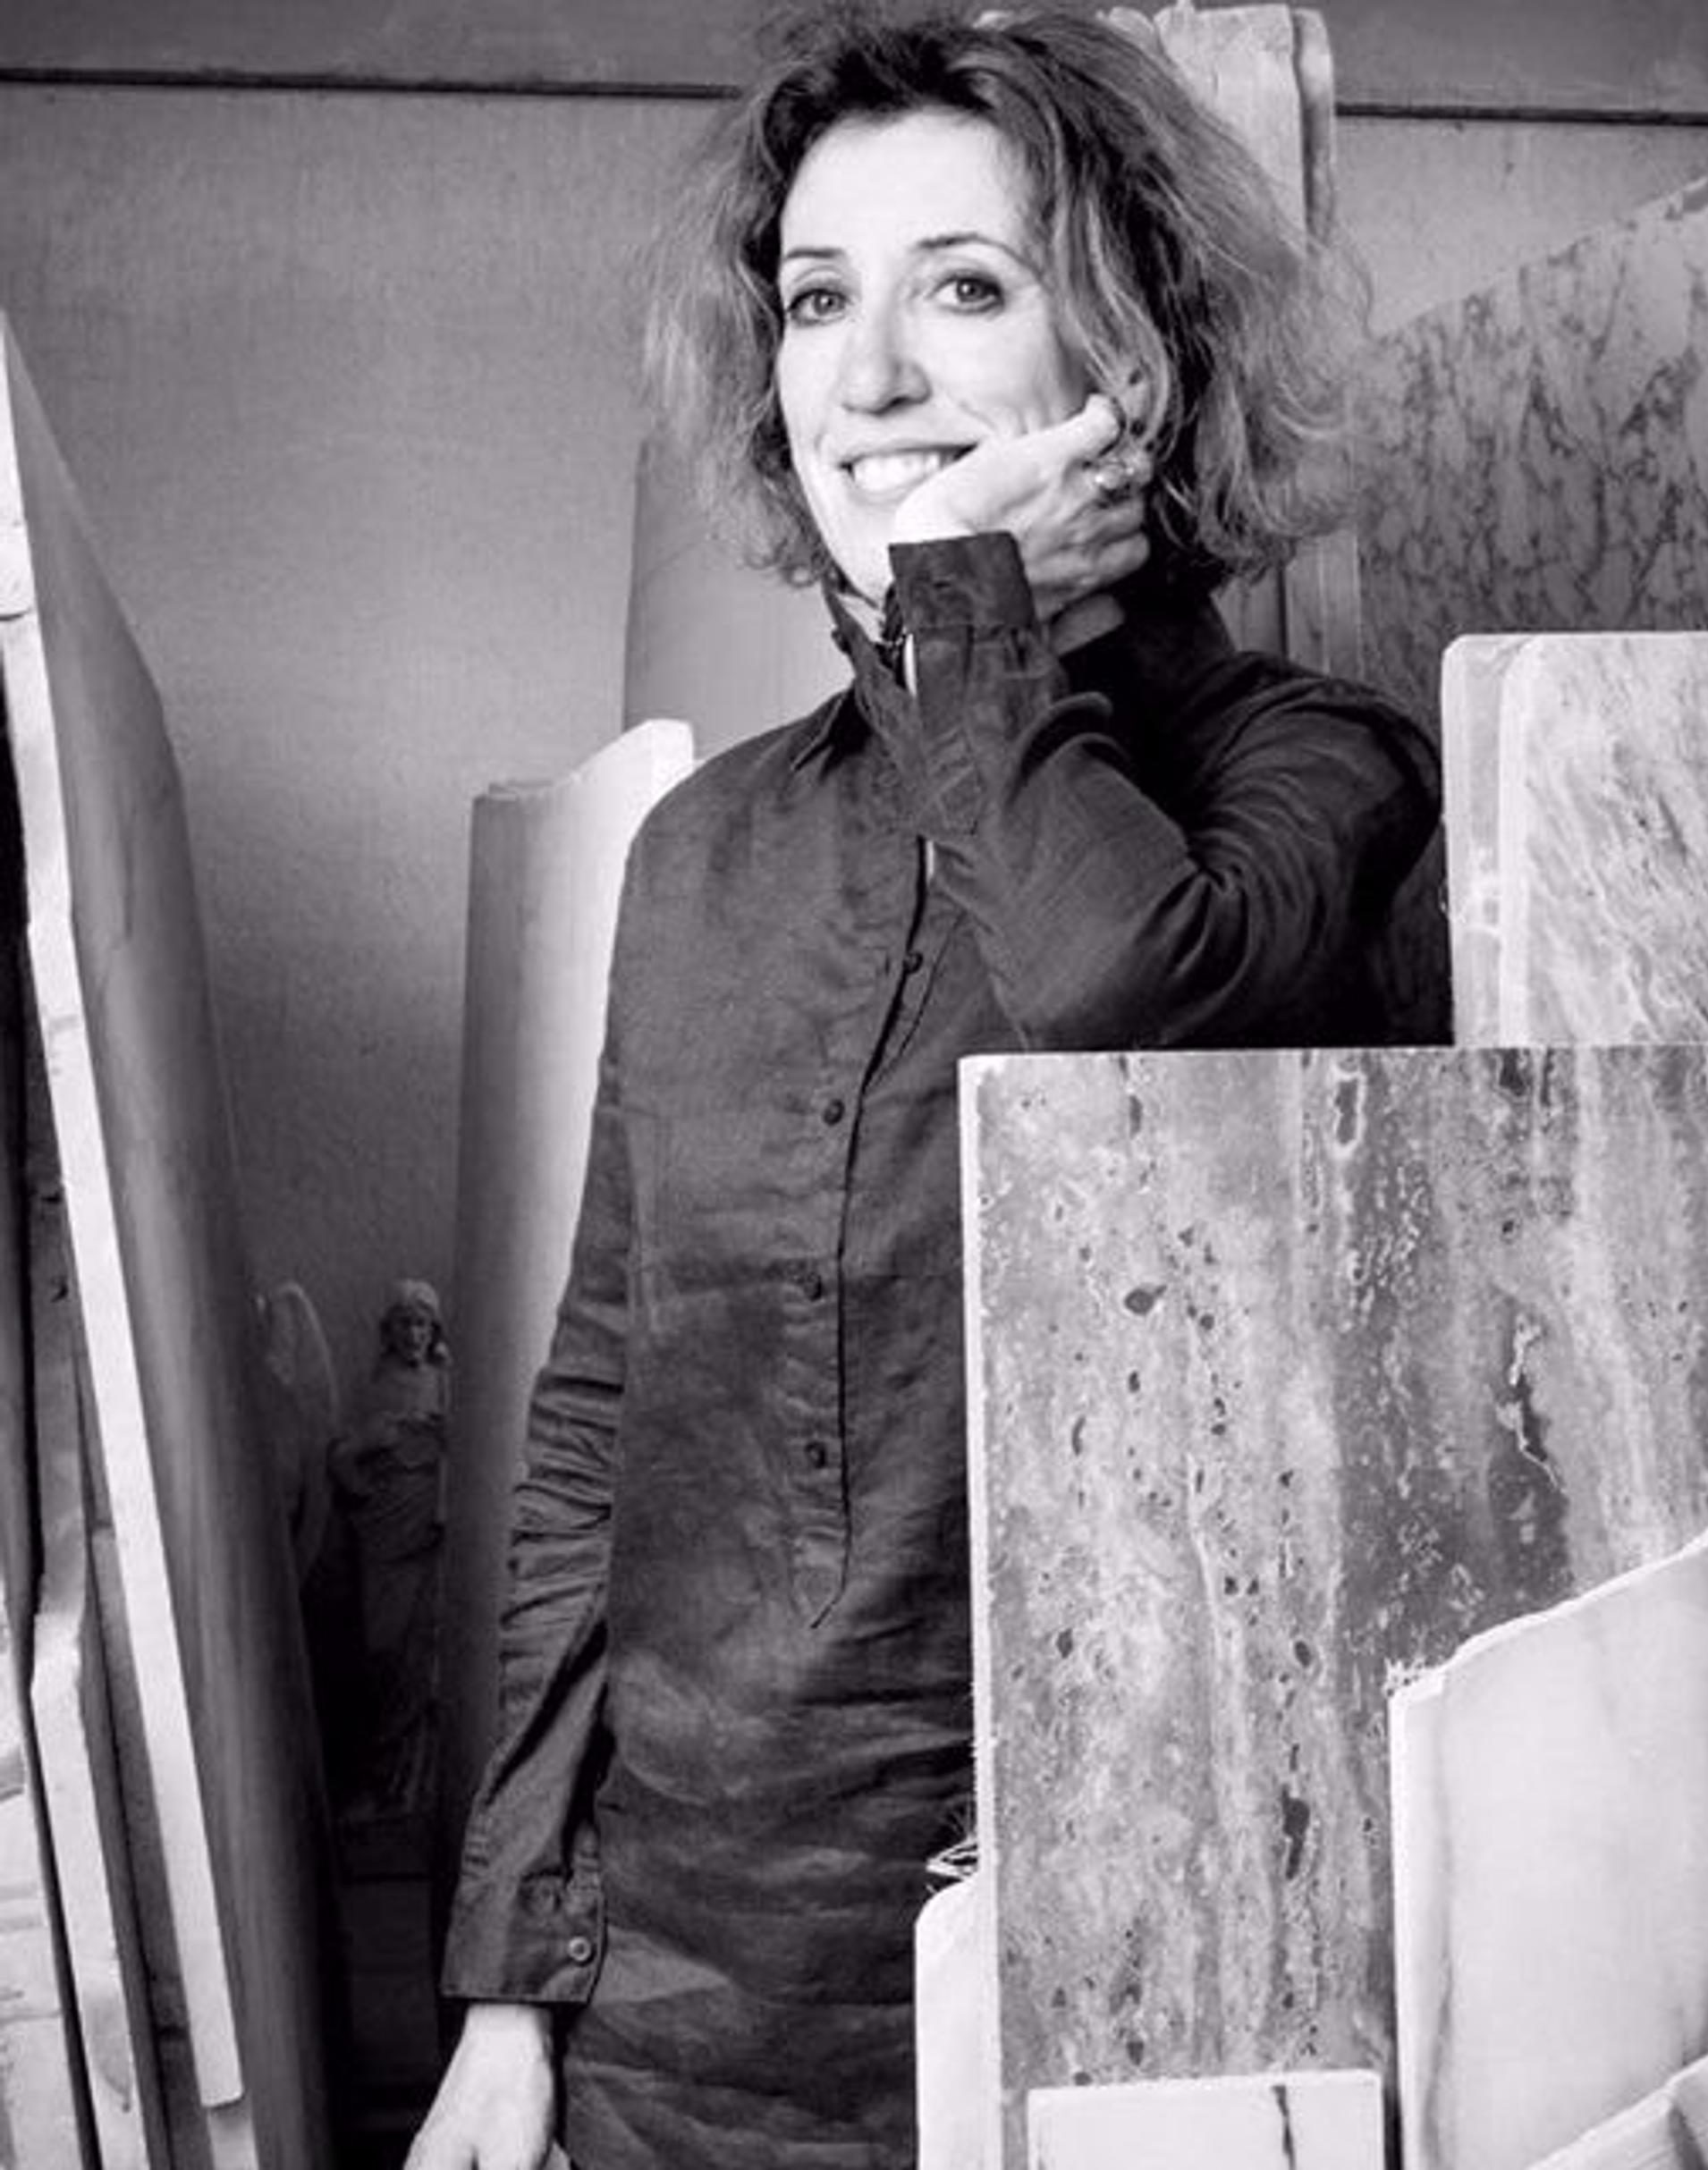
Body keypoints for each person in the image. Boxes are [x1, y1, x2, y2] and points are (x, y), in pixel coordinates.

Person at [408, 7, 1442, 2166]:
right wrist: (511, 1992)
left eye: (962, 288)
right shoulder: (706, 848)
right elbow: (597, 1421)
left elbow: (1110, 987)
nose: (864, 376)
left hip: (1110, 1975)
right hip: (676, 2002)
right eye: (814, 301)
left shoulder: (1311, 770)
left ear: (1140, 358)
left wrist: (960, 607)